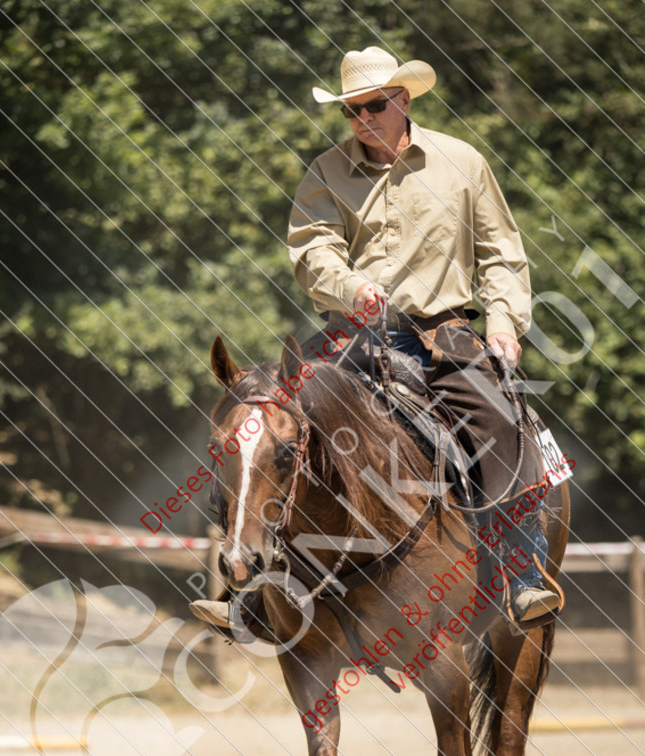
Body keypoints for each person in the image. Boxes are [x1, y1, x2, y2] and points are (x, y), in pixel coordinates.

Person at [191, 46, 560, 630]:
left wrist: (502, 324)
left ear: (403, 100)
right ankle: (249, 588)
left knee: (499, 419)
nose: (363, 119)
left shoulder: (462, 162)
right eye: (351, 110)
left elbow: (501, 255)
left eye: (375, 106)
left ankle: (521, 575)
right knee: (259, 421)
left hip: (442, 333)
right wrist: (351, 287)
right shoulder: (326, 171)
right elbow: (313, 251)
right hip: (352, 337)